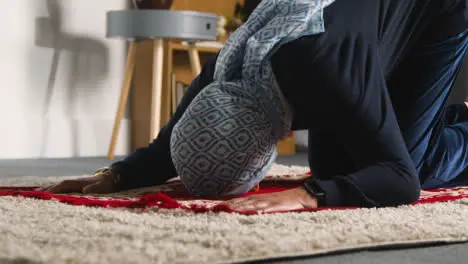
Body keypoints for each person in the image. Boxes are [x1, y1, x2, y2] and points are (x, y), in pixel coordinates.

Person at [39, 0, 468, 213]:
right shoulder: (227, 72)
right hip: (353, 39)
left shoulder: (328, 69)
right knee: (348, 164)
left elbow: (400, 181)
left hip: (435, 10)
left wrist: (308, 195)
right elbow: (170, 143)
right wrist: (117, 175)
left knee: (411, 162)